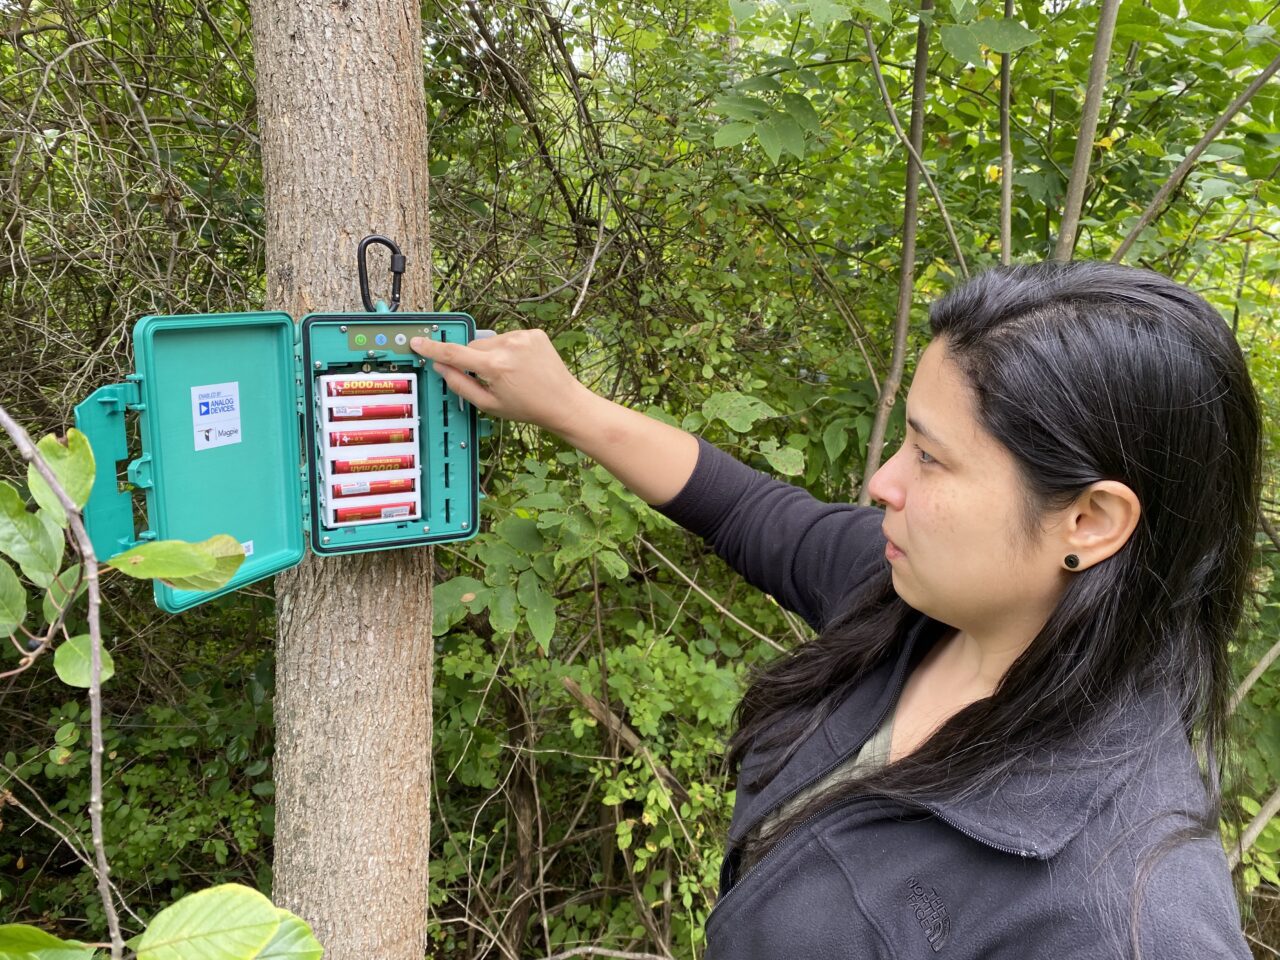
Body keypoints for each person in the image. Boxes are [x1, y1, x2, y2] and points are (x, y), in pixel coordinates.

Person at [410, 260, 1259, 959]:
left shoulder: (1129, 925)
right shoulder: (921, 600)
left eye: (930, 457)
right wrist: (566, 405)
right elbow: (743, 510)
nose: (882, 483)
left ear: (1089, 520)